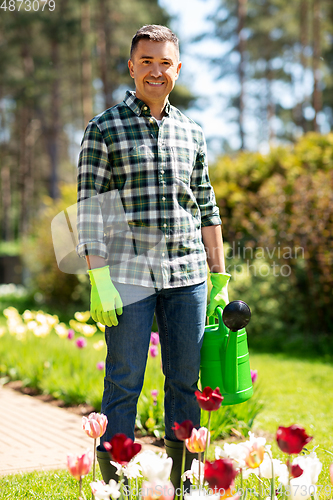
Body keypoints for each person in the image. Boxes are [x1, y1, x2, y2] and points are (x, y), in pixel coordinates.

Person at [76, 24, 231, 492]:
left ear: (177, 69)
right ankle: (116, 486)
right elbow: (87, 213)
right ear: (132, 66)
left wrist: (220, 276)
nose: (156, 71)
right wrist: (98, 280)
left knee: (185, 382)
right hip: (127, 277)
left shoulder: (192, 132)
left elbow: (206, 206)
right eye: (147, 61)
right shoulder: (103, 127)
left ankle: (183, 484)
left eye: (165, 63)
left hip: (188, 277)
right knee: (123, 383)